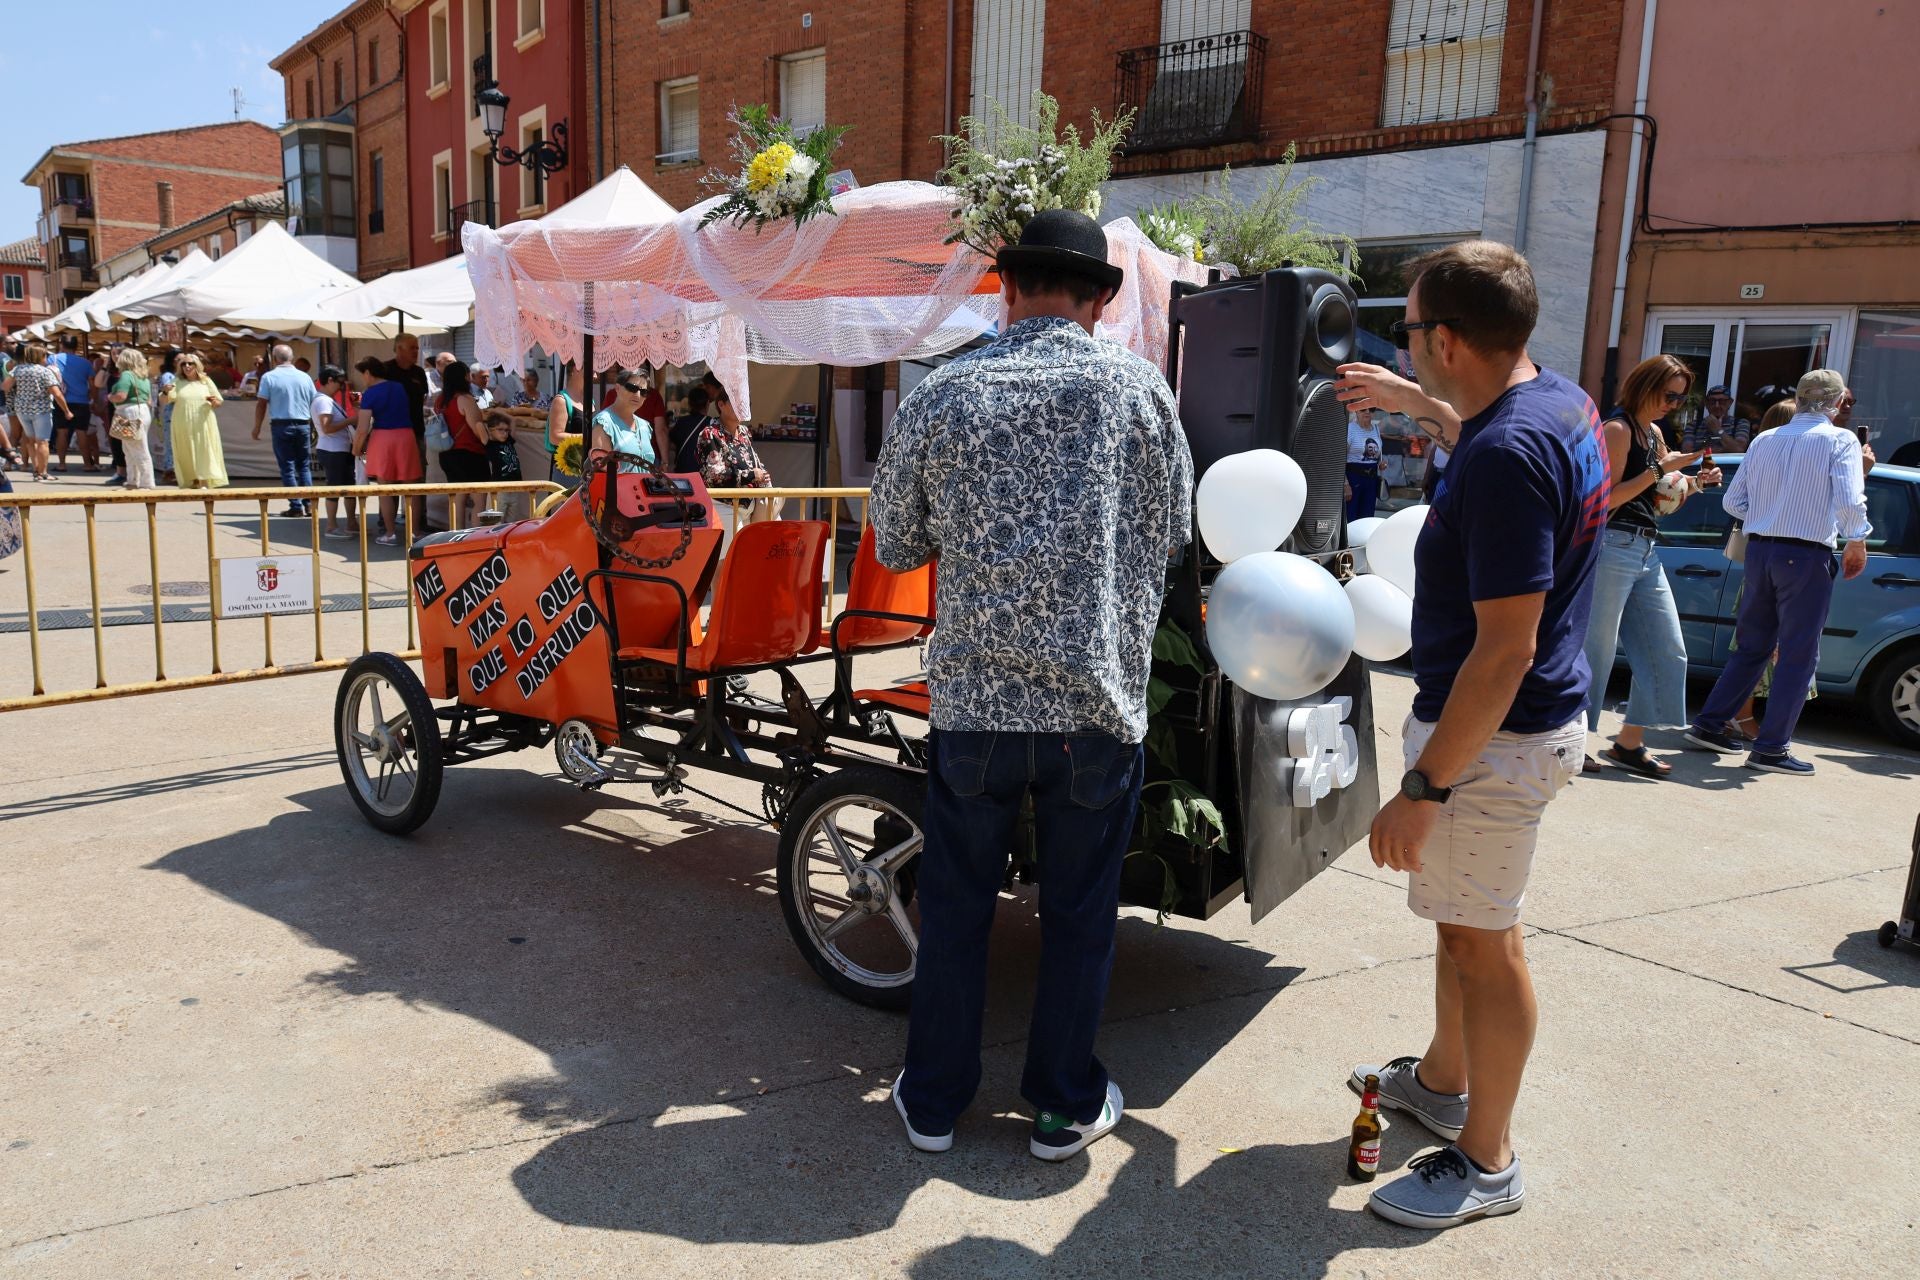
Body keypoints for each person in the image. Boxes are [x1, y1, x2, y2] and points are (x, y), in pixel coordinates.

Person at [869, 208, 1194, 1164]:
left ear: (1007, 288)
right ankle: (1060, 1106)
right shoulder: (1140, 391)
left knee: (960, 905)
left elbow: (895, 542)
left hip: (975, 705)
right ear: (1099, 297)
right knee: (1081, 913)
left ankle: (932, 1103)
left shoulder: (943, 394)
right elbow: (1174, 535)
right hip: (1096, 708)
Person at [1358, 240, 1606, 1230]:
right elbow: (1478, 425)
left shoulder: (1505, 456)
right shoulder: (1554, 403)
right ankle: (1442, 1079)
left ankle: (1488, 1157)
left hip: (1495, 738)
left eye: (1411, 329)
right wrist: (1417, 404)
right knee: (1463, 925)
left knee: (1484, 940)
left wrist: (1423, 787)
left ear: (1450, 339)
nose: (1407, 343)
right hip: (1512, 730)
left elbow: (1505, 650)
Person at [1685, 370, 1871, 775]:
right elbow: (1849, 497)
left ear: (1801, 399)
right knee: (1798, 653)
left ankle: (1709, 723)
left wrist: (1770, 518)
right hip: (1804, 554)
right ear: (1836, 403)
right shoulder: (1840, 439)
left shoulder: (1765, 438)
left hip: (1761, 551)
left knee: (1752, 646)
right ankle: (1770, 747)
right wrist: (1857, 539)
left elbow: (1733, 502)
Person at [1578, 355, 1717, 776]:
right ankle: (1572, 739)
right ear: (1645, 385)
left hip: (1645, 548)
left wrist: (1693, 485)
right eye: (1668, 395)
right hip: (1612, 546)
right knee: (1595, 653)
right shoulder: (1617, 430)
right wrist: (1662, 467)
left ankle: (1628, 742)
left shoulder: (1653, 432)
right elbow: (1606, 500)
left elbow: (1655, 501)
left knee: (1667, 649)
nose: (1673, 404)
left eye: (1680, 398)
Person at [352, 357, 423, 545]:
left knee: (385, 489)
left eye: (363, 375)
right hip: (406, 436)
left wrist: (356, 449)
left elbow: (362, 428)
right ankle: (415, 532)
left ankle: (390, 533)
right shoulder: (399, 387)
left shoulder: (370, 393)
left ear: (368, 372)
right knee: (412, 489)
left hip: (383, 438)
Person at [251, 345, 318, 517]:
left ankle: (296, 506)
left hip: (282, 425)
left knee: (287, 467)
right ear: (292, 357)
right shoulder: (304, 377)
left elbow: (261, 404)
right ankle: (309, 503)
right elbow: (314, 401)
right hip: (303, 424)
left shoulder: (269, 377)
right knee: (303, 466)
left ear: (274, 359)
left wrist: (257, 426)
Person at [435, 360, 489, 525]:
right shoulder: (465, 399)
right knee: (479, 501)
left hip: (447, 453)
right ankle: (474, 540)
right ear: (463, 377)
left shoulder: (441, 400)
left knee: (458, 499)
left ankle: (456, 537)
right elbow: (476, 428)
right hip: (469, 453)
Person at [3, 344, 68, 482]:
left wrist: (19, 394)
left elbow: (5, 386)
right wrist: (66, 410)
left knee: (31, 441)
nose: (47, 359)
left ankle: (36, 470)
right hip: (41, 410)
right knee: (43, 441)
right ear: (40, 356)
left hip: (22, 410)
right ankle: (43, 473)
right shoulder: (45, 372)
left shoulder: (18, 369)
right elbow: (56, 393)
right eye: (45, 356)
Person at [165, 354, 228, 490]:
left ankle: (203, 480)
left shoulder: (206, 381)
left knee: (203, 448)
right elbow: (165, 401)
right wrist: (165, 392)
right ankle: (192, 479)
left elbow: (218, 402)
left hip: (203, 422)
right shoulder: (177, 381)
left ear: (196, 366)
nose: (187, 366)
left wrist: (213, 401)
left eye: (190, 364)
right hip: (182, 421)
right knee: (185, 450)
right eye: (183, 364)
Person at [310, 364, 357, 537]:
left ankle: (351, 523)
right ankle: (331, 526)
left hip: (338, 449)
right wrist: (351, 419)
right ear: (330, 380)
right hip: (332, 450)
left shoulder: (327, 399)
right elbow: (327, 427)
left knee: (348, 487)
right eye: (340, 382)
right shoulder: (323, 400)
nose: (341, 386)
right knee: (335, 488)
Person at [106, 346, 156, 490]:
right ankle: (133, 480)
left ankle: (146, 482)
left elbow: (121, 395)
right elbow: (149, 400)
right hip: (142, 411)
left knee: (136, 447)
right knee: (130, 447)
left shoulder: (127, 375)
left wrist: (110, 397)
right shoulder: (143, 378)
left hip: (129, 412)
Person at [590, 371, 658, 472]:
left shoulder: (645, 426)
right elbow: (602, 472)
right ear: (617, 388)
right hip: (618, 487)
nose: (638, 395)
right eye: (632, 388)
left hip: (645, 487)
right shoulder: (604, 423)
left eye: (644, 392)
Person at [49, 337, 94, 474]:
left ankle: (62, 464)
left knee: (61, 432)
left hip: (61, 400)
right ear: (76, 346)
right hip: (82, 401)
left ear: (61, 344)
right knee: (82, 432)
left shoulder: (53, 359)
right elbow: (92, 384)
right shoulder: (85, 363)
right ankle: (87, 464)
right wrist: (92, 399)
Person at [380, 335, 433, 443]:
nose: (416, 351)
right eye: (412, 348)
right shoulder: (384, 370)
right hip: (390, 432)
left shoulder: (419, 372)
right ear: (399, 349)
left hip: (416, 432)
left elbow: (423, 397)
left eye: (417, 348)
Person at [1682, 384, 1748, 453]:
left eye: (1722, 401)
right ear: (1706, 404)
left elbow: (1739, 449)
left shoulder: (1740, 423)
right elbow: (1686, 452)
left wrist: (1718, 430)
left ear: (1730, 403)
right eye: (1712, 401)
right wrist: (1724, 450)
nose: (1717, 406)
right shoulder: (1693, 426)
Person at [1346, 408, 1385, 522]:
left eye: (1371, 409)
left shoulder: (1376, 429)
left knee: (1367, 516)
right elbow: (1340, 457)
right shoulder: (1350, 429)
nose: (1367, 412)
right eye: (1363, 409)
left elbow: (1376, 454)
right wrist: (1345, 484)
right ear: (1356, 411)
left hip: (1371, 479)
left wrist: (1381, 463)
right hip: (1353, 478)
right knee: (1351, 516)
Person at [483, 410, 523, 516]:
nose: (504, 433)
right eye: (500, 430)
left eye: (506, 430)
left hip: (514, 488)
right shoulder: (490, 443)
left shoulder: (509, 440)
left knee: (512, 522)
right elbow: (478, 424)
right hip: (499, 489)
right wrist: (491, 414)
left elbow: (513, 420)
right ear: (490, 430)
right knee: (495, 521)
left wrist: (498, 411)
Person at [670, 384, 713, 471]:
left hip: (683, 469)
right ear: (708, 403)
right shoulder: (712, 423)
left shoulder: (682, 422)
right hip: (703, 472)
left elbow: (672, 444)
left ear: (689, 404)